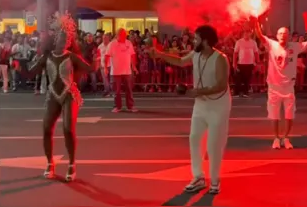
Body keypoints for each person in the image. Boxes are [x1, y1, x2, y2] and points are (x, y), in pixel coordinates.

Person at [149, 25, 231, 194]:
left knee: (214, 144)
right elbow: (180, 61)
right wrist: (159, 55)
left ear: (206, 41)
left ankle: (215, 180)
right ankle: (198, 177)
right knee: (194, 138)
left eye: (196, 39)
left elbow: (222, 85)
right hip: (200, 104)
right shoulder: (196, 54)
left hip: (218, 106)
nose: (194, 41)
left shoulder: (220, 59)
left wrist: (197, 91)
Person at [25, 13, 93, 181]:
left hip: (69, 94)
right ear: (55, 39)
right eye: (62, 38)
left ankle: (71, 164)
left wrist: (96, 62)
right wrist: (20, 66)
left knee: (68, 129)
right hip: (53, 95)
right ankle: (50, 163)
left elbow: (89, 69)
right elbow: (30, 73)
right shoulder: (46, 57)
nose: (65, 41)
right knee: (47, 129)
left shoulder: (72, 57)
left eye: (68, 39)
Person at [254, 18, 307, 149]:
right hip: (274, 87)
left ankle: (286, 138)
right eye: (280, 33)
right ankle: (276, 138)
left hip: (288, 87)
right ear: (277, 36)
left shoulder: (295, 46)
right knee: (274, 115)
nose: (283, 35)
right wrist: (255, 22)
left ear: (288, 36)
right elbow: (259, 35)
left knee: (289, 115)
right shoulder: (271, 44)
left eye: (285, 34)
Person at [106, 28, 139, 113]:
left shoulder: (129, 43)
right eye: (122, 35)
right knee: (117, 91)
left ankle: (130, 106)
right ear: (117, 35)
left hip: (127, 71)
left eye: (125, 35)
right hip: (116, 72)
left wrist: (134, 66)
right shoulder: (112, 44)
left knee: (129, 89)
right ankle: (118, 106)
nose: (124, 36)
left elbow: (132, 55)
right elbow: (107, 56)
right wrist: (106, 67)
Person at [233, 29, 259, 97]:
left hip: (250, 64)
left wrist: (257, 62)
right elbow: (235, 53)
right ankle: (236, 93)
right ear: (243, 34)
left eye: (248, 33)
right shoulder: (239, 42)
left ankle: (245, 92)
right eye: (245, 33)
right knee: (238, 79)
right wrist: (234, 63)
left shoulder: (253, 42)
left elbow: (256, 53)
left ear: (250, 34)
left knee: (247, 79)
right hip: (240, 63)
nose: (246, 34)